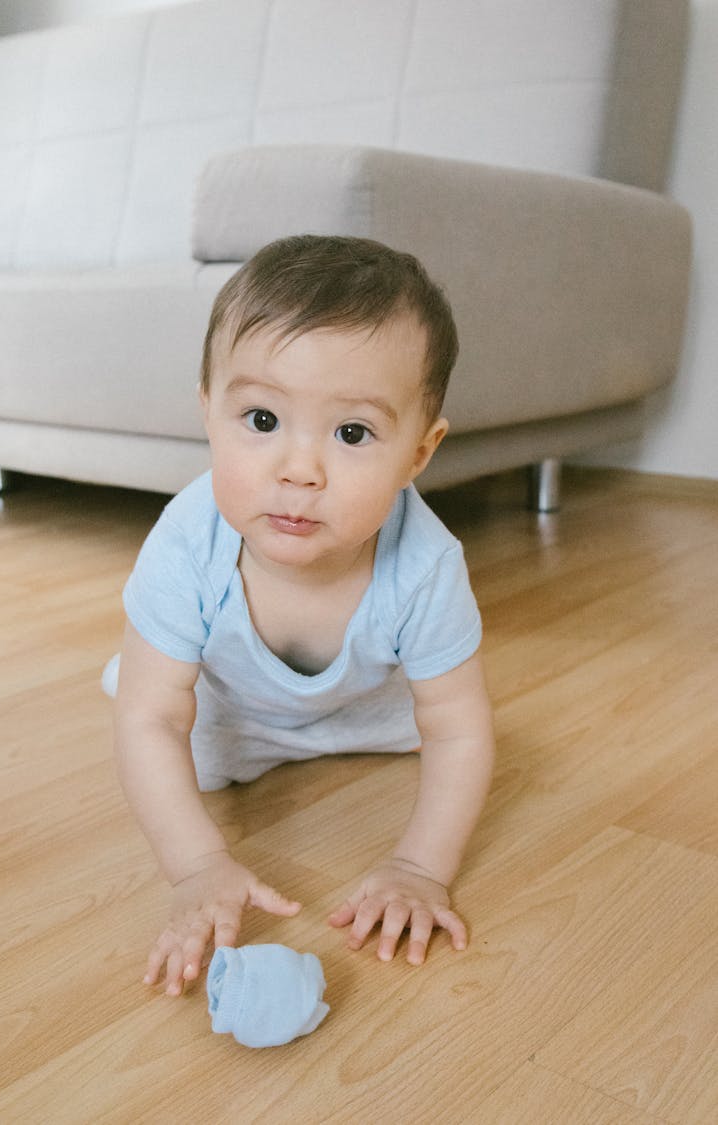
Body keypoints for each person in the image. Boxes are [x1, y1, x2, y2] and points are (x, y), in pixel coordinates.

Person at [113, 234, 495, 996]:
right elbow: (152, 720)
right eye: (260, 420)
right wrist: (196, 865)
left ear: (419, 452)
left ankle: (320, 730)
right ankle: (153, 658)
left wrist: (421, 867)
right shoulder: (185, 542)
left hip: (367, 710)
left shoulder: (425, 564)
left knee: (438, 725)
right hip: (224, 712)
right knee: (155, 715)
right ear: (209, 412)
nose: (298, 469)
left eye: (352, 433)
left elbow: (457, 726)